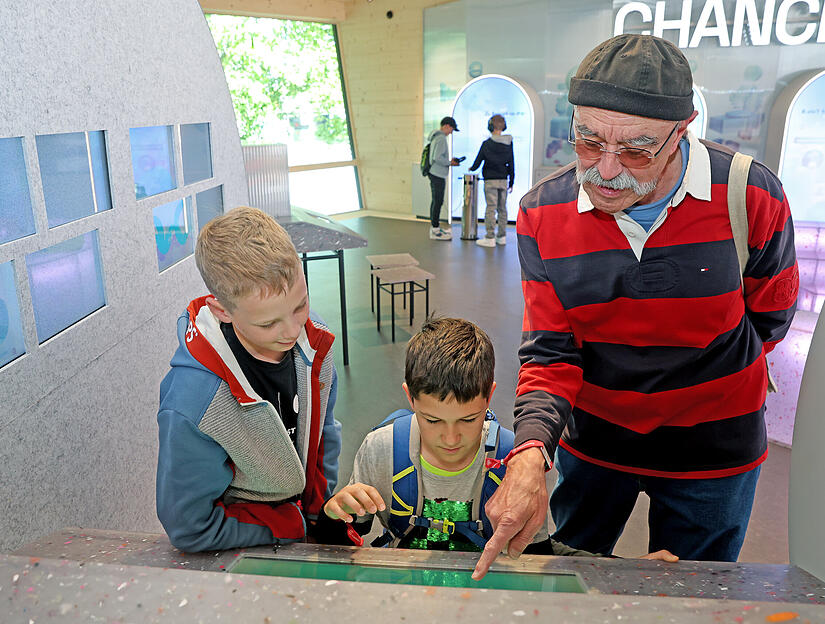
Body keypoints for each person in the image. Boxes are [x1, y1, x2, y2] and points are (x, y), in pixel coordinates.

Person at [473, 34, 798, 580]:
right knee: (569, 579)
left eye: (637, 149)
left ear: (682, 130)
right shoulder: (541, 214)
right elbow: (551, 352)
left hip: (714, 452)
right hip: (595, 444)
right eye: (587, 140)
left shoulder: (750, 194)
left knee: (697, 591)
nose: (604, 170)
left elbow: (771, 318)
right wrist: (530, 453)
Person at [319, 317, 677, 564]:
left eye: (468, 419)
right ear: (409, 398)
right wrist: (333, 514)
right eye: (432, 420)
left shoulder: (514, 464)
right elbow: (344, 540)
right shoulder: (381, 450)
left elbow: (537, 555)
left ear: (489, 397)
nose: (451, 438)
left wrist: (626, 569)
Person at [155, 206, 342, 552]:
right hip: (247, 548)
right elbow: (190, 527)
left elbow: (323, 431)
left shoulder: (315, 340)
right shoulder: (193, 401)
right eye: (268, 324)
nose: (293, 330)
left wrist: (320, 510)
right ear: (221, 310)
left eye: (300, 305)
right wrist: (290, 525)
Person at [468, 114, 514, 248]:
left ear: (490, 126)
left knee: (491, 208)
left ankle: (490, 237)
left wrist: (472, 168)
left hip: (490, 180)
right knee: (502, 208)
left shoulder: (486, 144)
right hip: (503, 180)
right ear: (503, 126)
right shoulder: (509, 142)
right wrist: (512, 181)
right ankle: (502, 236)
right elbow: (512, 163)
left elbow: (478, 161)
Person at [427, 117, 461, 241]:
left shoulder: (435, 137)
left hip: (434, 173)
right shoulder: (441, 138)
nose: (451, 132)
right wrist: (450, 163)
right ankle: (435, 230)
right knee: (438, 201)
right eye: (451, 129)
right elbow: (437, 157)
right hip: (438, 174)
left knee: (436, 201)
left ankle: (435, 227)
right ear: (446, 126)